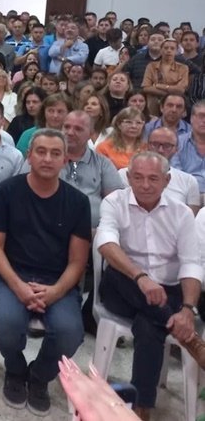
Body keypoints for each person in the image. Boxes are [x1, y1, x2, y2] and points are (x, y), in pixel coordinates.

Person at [0, 129, 91, 416]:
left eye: (56, 153)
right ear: (29, 156)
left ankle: (40, 375)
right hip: (11, 274)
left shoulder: (78, 202)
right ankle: (15, 369)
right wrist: (18, 286)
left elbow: (77, 261)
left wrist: (56, 292)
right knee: (6, 324)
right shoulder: (6, 192)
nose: (47, 158)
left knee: (70, 332)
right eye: (41, 152)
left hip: (57, 280)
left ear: (66, 160)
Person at [96, 152, 205, 420]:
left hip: (168, 291)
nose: (145, 185)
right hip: (123, 286)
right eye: (138, 177)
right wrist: (141, 277)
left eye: (153, 178)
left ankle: (141, 407)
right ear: (128, 177)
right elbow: (106, 243)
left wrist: (188, 309)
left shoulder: (181, 213)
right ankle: (190, 340)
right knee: (118, 275)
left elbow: (191, 263)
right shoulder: (114, 202)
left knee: (148, 324)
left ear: (167, 180)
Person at [119, 127, 201, 214]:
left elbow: (190, 216)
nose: (160, 150)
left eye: (167, 146)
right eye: (155, 144)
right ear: (147, 146)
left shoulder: (188, 180)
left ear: (176, 149)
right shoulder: (125, 174)